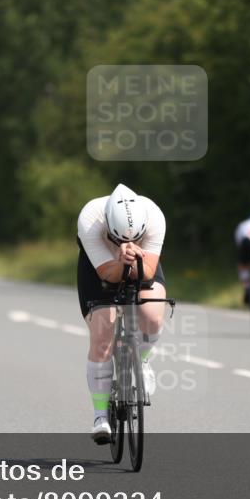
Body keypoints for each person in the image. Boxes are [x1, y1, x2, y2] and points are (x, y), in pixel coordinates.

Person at [77, 183, 167, 444]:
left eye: (135, 237)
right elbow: (107, 275)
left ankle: (143, 360)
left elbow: (147, 273)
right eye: (119, 238)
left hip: (141, 261)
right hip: (100, 266)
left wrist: (135, 259)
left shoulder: (154, 216)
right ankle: (100, 416)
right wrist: (120, 260)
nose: (126, 243)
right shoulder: (90, 219)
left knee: (152, 317)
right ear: (108, 226)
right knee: (102, 335)